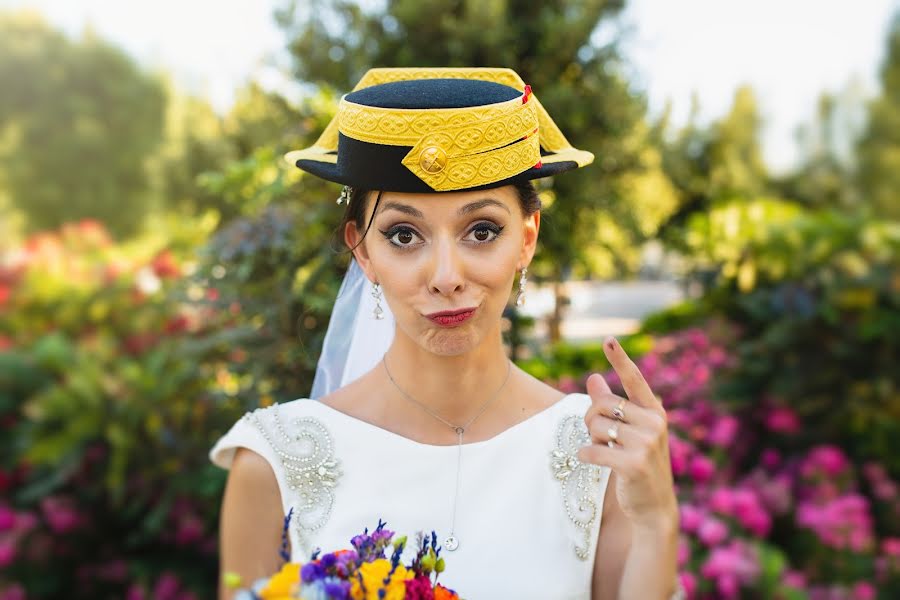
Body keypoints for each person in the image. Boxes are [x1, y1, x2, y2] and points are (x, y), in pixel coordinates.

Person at [210, 68, 682, 599]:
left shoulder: (599, 452)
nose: (445, 277)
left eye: (481, 230)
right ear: (363, 251)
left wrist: (657, 519)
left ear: (527, 239)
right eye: (403, 235)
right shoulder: (274, 461)